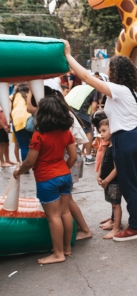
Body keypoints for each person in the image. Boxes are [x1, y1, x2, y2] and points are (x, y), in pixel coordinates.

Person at [64, 40, 137, 242]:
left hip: (127, 138)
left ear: (116, 72)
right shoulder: (134, 90)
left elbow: (86, 77)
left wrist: (69, 56)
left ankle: (135, 227)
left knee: (130, 185)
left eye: (109, 68)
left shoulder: (118, 90)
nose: (107, 71)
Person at [13, 95, 77, 264]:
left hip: (47, 178)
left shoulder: (39, 135)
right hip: (65, 176)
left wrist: (19, 172)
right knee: (65, 212)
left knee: (53, 217)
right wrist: (63, 170)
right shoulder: (66, 132)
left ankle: (58, 254)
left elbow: (30, 161)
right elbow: (73, 157)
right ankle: (67, 248)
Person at [27, 85, 93, 241]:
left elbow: (30, 110)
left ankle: (83, 230)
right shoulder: (61, 110)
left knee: (63, 207)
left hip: (63, 161)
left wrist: (61, 169)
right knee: (65, 205)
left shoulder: (51, 117)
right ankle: (70, 242)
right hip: (67, 160)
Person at [97, 119, 123, 239]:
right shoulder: (108, 145)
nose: (101, 134)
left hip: (114, 182)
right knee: (113, 204)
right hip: (107, 181)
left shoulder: (115, 148)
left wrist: (107, 180)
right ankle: (114, 223)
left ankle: (116, 228)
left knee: (116, 205)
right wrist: (99, 175)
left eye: (104, 131)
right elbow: (103, 163)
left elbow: (117, 168)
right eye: (100, 131)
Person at [65, 84, 101, 164]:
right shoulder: (95, 89)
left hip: (66, 108)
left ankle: (77, 153)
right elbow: (94, 106)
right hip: (80, 110)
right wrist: (93, 120)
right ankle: (88, 157)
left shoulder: (78, 87)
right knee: (88, 131)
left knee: (74, 131)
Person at [10, 83, 32, 161]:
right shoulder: (30, 94)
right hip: (31, 120)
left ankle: (25, 168)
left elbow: (9, 110)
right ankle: (36, 165)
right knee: (35, 145)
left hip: (17, 120)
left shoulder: (13, 96)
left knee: (23, 146)